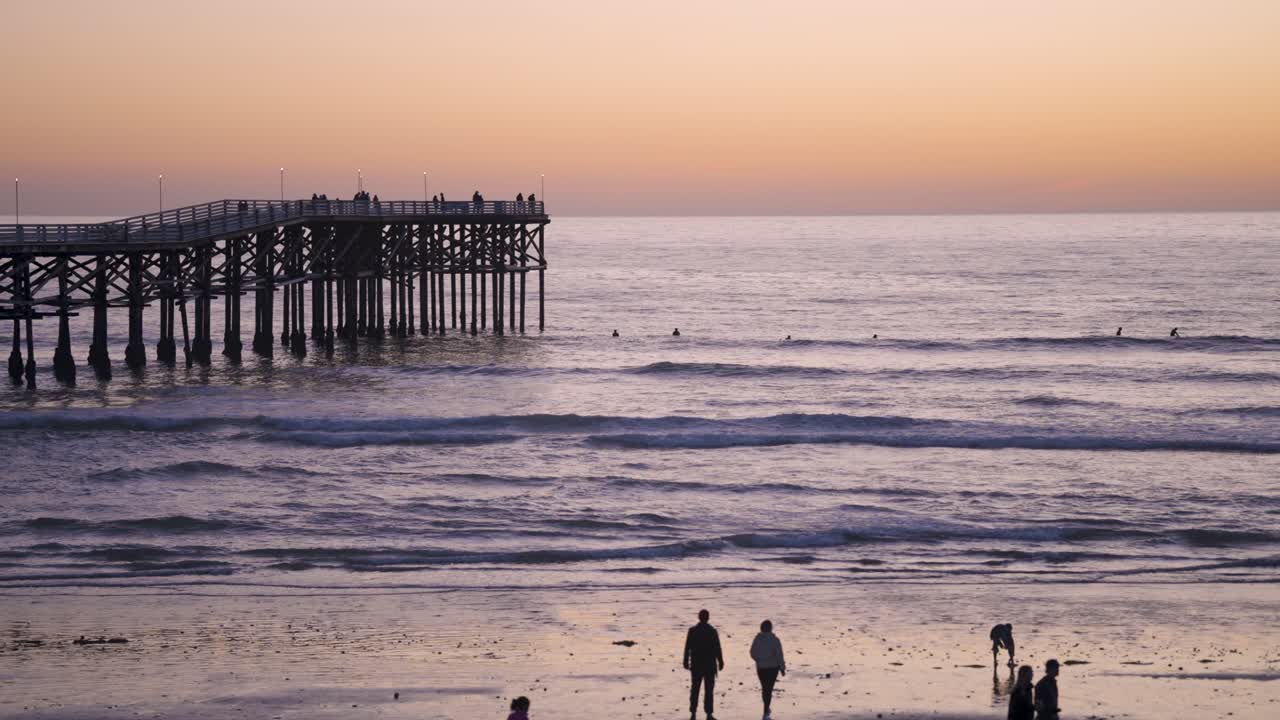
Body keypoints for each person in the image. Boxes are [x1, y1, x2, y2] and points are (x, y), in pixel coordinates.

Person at [683, 609, 723, 720]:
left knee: (695, 689)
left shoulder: (692, 631)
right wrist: (720, 661)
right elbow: (717, 648)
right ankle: (709, 713)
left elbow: (687, 647)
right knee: (709, 690)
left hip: (696, 664)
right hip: (709, 665)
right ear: (708, 618)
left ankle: (693, 712)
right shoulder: (712, 631)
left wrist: (685, 660)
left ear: (699, 617)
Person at [750, 619, 786, 718]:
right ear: (771, 628)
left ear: (761, 628)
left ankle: (766, 708)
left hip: (761, 668)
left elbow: (752, 652)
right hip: (773, 668)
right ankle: (766, 708)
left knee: (765, 688)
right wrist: (782, 668)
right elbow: (779, 655)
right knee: (768, 689)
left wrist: (758, 660)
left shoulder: (757, 639)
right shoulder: (775, 640)